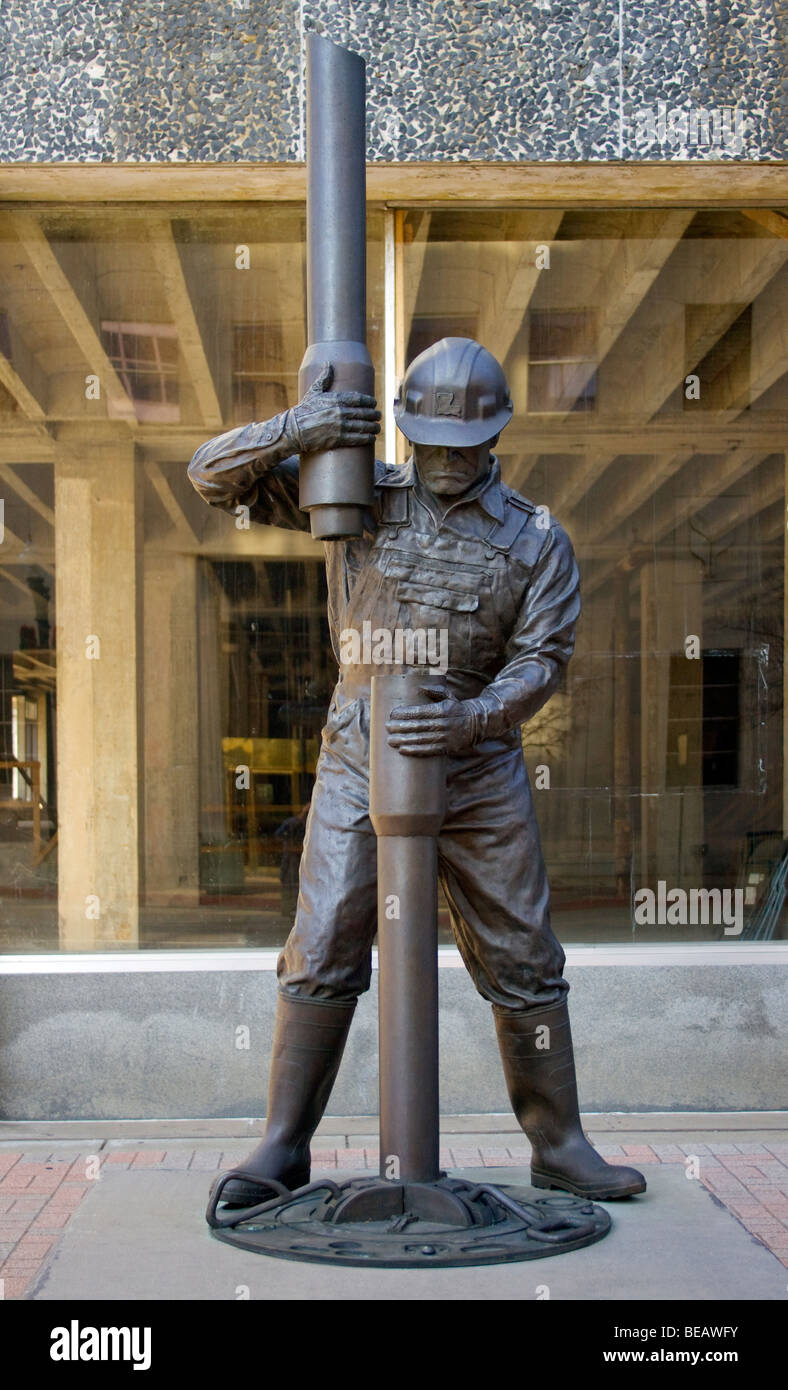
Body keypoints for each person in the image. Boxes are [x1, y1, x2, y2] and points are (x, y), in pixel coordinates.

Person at [188, 337, 645, 1205]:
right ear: (405, 431)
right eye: (427, 442)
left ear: (494, 439)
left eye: (460, 446)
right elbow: (212, 478)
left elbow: (542, 657)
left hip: (478, 766)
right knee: (320, 944)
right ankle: (282, 1147)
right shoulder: (357, 495)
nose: (442, 459)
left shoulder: (537, 538)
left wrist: (473, 718)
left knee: (524, 953)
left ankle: (561, 1144)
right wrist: (300, 426)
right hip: (361, 754)